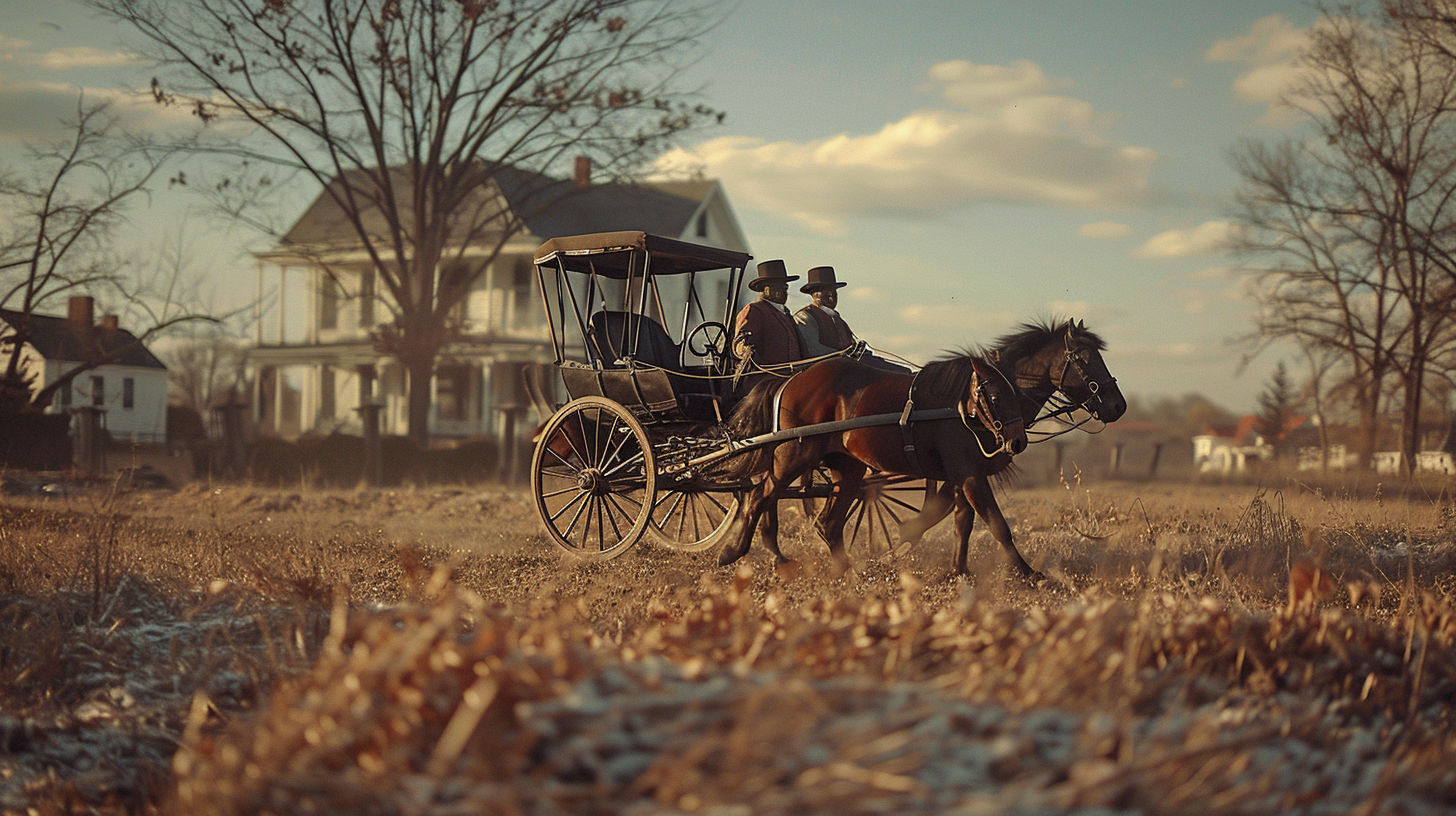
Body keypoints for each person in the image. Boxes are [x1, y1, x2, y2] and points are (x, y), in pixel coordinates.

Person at [795, 265, 909, 372]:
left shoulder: (837, 319)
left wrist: (859, 351)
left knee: (900, 371)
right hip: (827, 371)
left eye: (834, 291)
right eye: (825, 292)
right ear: (814, 295)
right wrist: (846, 355)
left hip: (847, 365)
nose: (831, 295)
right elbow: (813, 349)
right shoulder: (805, 317)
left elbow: (851, 345)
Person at [732, 260, 807, 389]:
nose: (782, 291)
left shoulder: (787, 314)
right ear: (764, 289)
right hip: (764, 382)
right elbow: (739, 341)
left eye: (784, 287)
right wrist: (744, 348)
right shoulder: (754, 310)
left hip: (792, 380)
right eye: (775, 287)